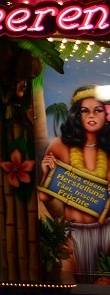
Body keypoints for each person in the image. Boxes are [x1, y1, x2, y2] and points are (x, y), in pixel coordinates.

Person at [39, 84, 110, 278]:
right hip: (72, 234)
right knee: (67, 281)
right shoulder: (59, 146)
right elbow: (45, 198)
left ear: (106, 114)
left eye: (97, 111)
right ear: (77, 115)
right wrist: (46, 174)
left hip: (107, 232)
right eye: (85, 111)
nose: (91, 116)